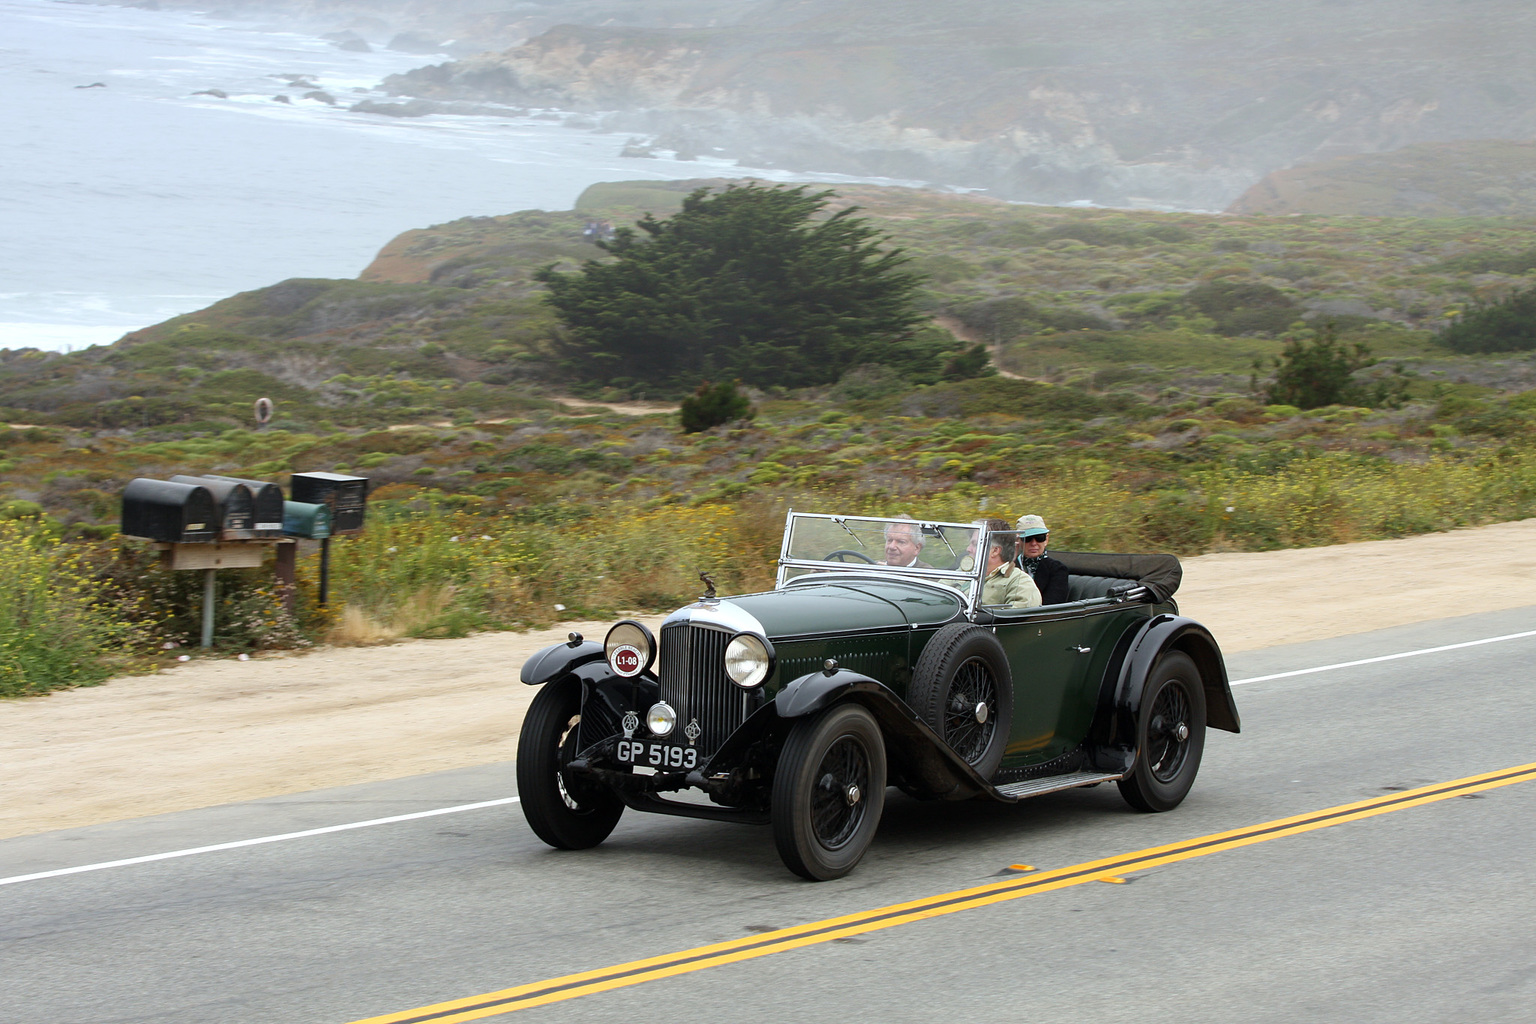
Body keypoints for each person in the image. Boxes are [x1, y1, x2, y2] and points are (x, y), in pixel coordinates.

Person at [977, 518, 1041, 608]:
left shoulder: (1020, 582)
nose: (968, 549)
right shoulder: (965, 573)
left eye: (975, 544)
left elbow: (1013, 619)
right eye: (1028, 539)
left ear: (995, 550)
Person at [1015, 514, 1070, 604]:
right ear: (1018, 540)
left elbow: (1052, 605)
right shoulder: (1009, 566)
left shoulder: (1057, 569)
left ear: (1046, 540)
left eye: (1039, 538)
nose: (1034, 543)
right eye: (1027, 539)